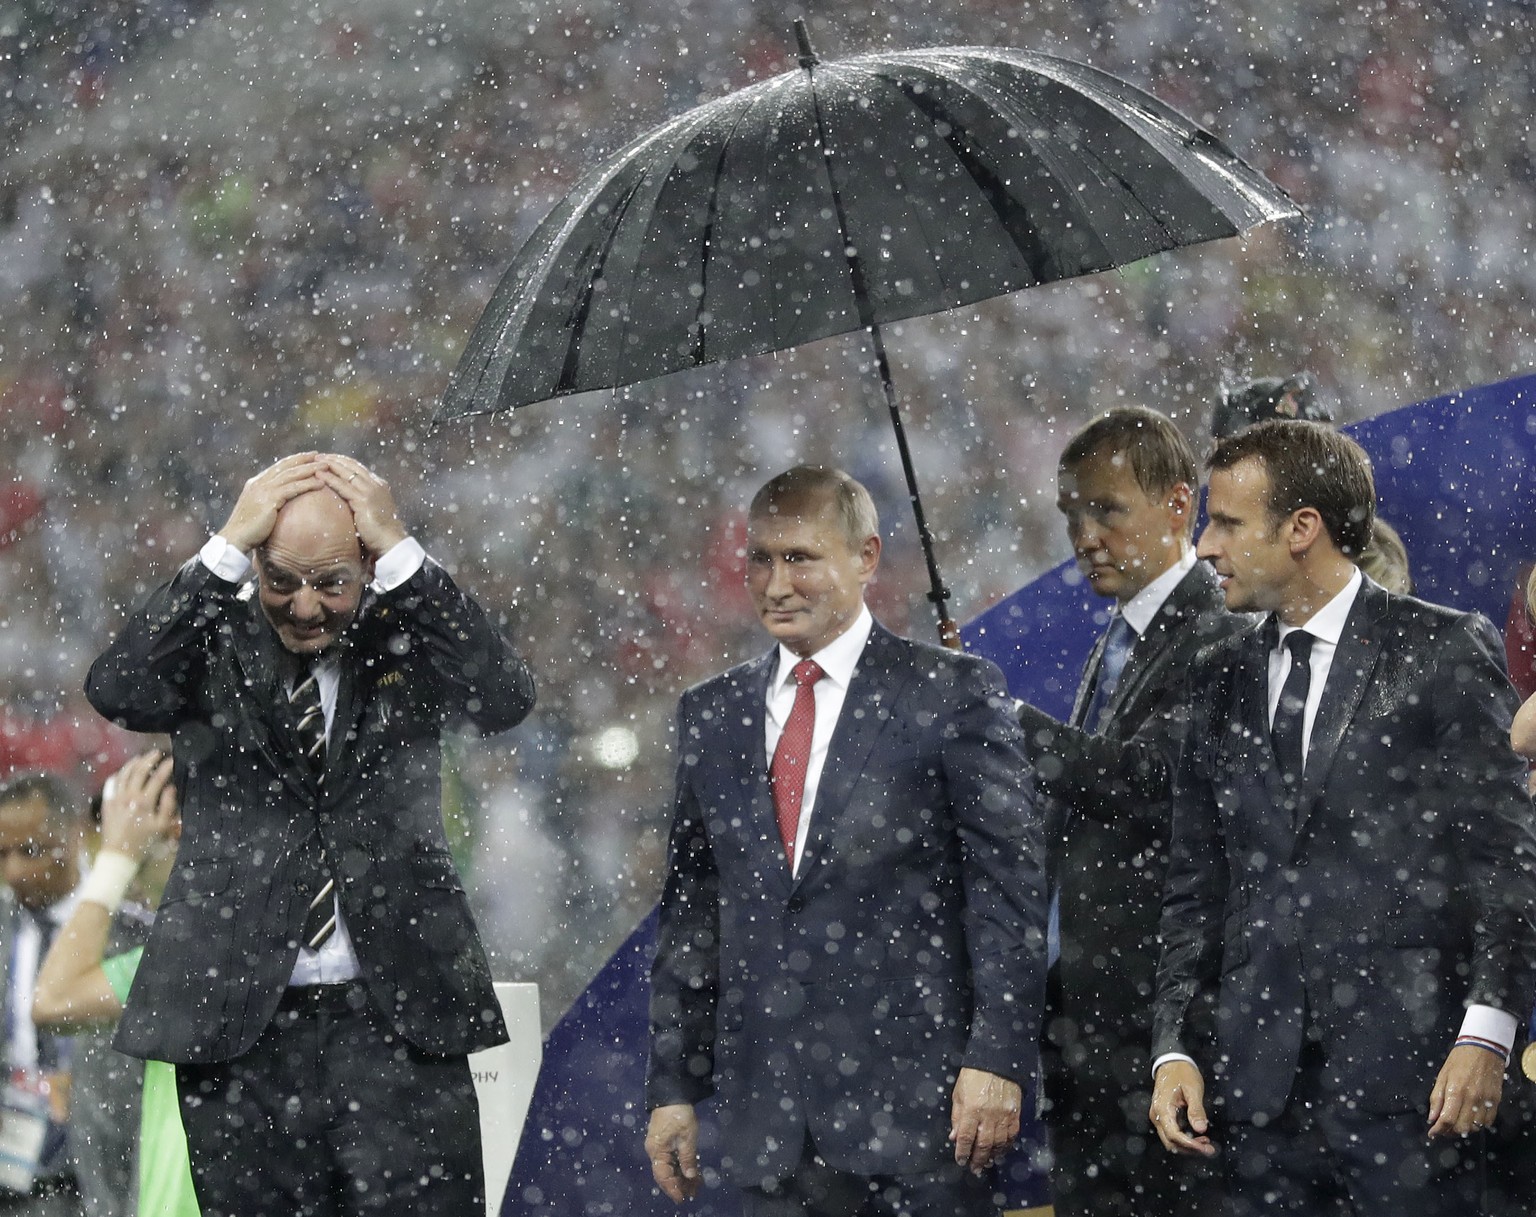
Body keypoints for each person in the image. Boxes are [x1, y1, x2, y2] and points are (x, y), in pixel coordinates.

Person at [83, 452, 537, 1216]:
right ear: (255, 561)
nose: (304, 607)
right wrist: (226, 543)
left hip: (401, 1020)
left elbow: (502, 697)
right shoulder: (212, 637)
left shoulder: (407, 634)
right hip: (239, 1028)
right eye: (281, 580)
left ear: (367, 565)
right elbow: (120, 688)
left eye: (331, 582)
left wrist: (402, 553)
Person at [1148, 420, 1536, 1215]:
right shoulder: (1213, 674)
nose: (1205, 548)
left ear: (1302, 529)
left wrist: (1487, 1034)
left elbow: (1506, 862)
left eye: (1224, 522)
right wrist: (1174, 1044)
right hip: (1256, 1101)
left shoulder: (1441, 648)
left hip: (1421, 1085)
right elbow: (1197, 882)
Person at [644, 465, 1047, 1216]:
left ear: (866, 558)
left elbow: (1009, 894)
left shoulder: (950, 693)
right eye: (761, 558)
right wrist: (672, 1087)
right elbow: (694, 916)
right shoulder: (711, 715)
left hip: (924, 1124)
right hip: (771, 1131)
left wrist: (997, 1057)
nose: (775, 581)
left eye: (800, 557)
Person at [1014, 407, 1239, 1217]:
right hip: (1092, 1024)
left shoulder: (1219, 627)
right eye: (1072, 513)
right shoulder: (1120, 634)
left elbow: (1149, 782)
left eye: (1106, 508)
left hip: (1160, 1028)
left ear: (1179, 504)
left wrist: (1005, 721)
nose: (1085, 533)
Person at [33, 750, 198, 1217]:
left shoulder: (194, 956)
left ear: (171, 828)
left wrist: (117, 859)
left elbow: (53, 1000)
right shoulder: (248, 937)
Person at [0, 773, 92, 1215]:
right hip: (12, 1165)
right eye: (1, 854)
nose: (14, 870)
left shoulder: (125, 927)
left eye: (29, 851)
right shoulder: (4, 924)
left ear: (71, 836)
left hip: (95, 1170)